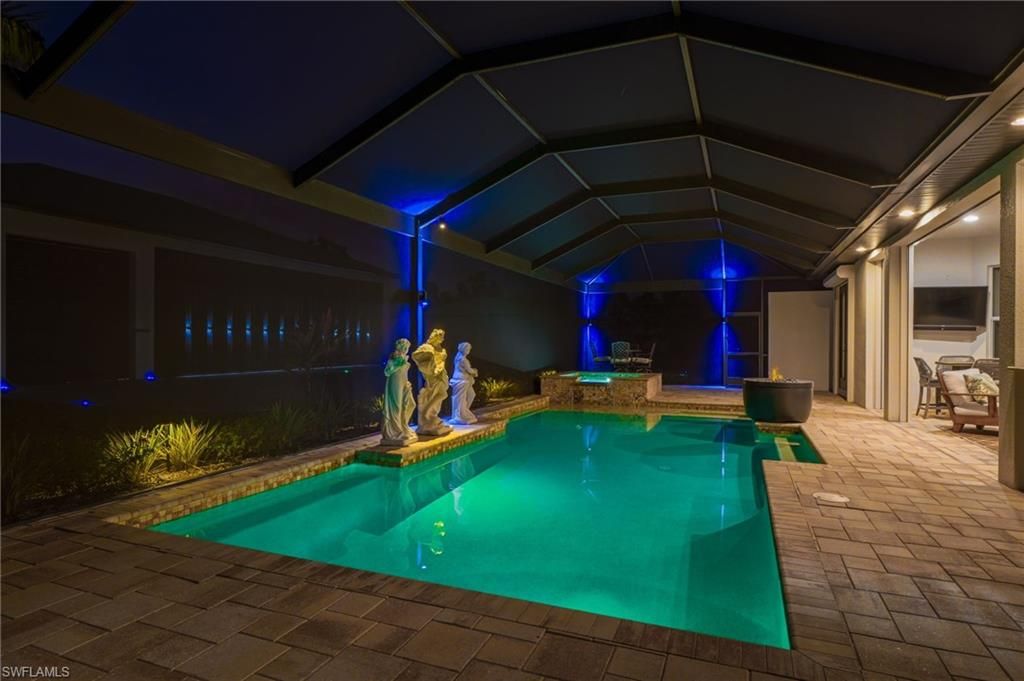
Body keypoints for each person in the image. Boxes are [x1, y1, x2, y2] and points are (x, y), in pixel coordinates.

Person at [381, 338, 417, 445]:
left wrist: (407, 382)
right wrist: (398, 363)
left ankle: (403, 426)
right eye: (406, 347)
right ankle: (396, 431)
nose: (407, 349)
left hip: (404, 382)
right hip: (395, 382)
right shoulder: (394, 357)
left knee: (411, 404)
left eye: (408, 348)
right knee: (396, 406)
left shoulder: (403, 357)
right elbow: (387, 372)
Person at [449, 342, 478, 424]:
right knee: (460, 399)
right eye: (467, 349)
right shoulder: (462, 359)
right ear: (463, 349)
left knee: (471, 395)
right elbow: (469, 370)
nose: (468, 351)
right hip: (461, 380)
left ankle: (464, 412)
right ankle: (460, 415)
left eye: (469, 349)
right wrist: (475, 372)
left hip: (463, 380)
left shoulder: (459, 357)